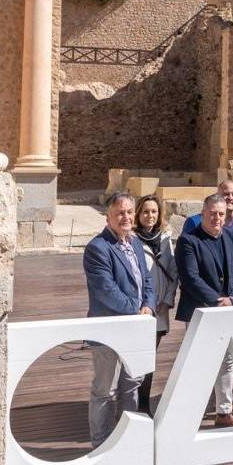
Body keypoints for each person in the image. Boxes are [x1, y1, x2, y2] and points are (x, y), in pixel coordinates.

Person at [83, 192, 156, 448]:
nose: (125, 217)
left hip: (135, 327)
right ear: (108, 217)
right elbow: (106, 290)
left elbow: (147, 279)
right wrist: (137, 311)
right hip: (109, 330)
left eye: (128, 212)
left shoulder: (135, 242)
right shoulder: (97, 248)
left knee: (131, 384)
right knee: (105, 389)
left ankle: (128, 439)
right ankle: (101, 442)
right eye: (120, 213)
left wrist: (148, 304)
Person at [175, 193, 233, 428]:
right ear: (202, 215)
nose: (217, 218)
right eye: (212, 214)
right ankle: (189, 411)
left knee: (227, 361)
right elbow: (190, 278)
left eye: (221, 214)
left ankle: (223, 412)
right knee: (198, 360)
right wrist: (217, 300)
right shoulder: (189, 241)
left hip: (229, 309)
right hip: (202, 310)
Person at [133, 194, 177, 414]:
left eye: (154, 212)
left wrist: (167, 301)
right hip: (139, 309)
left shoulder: (165, 239)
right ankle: (130, 403)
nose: (150, 216)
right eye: (145, 211)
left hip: (160, 308)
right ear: (138, 214)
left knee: (149, 359)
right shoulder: (132, 240)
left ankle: (143, 404)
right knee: (135, 358)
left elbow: (173, 272)